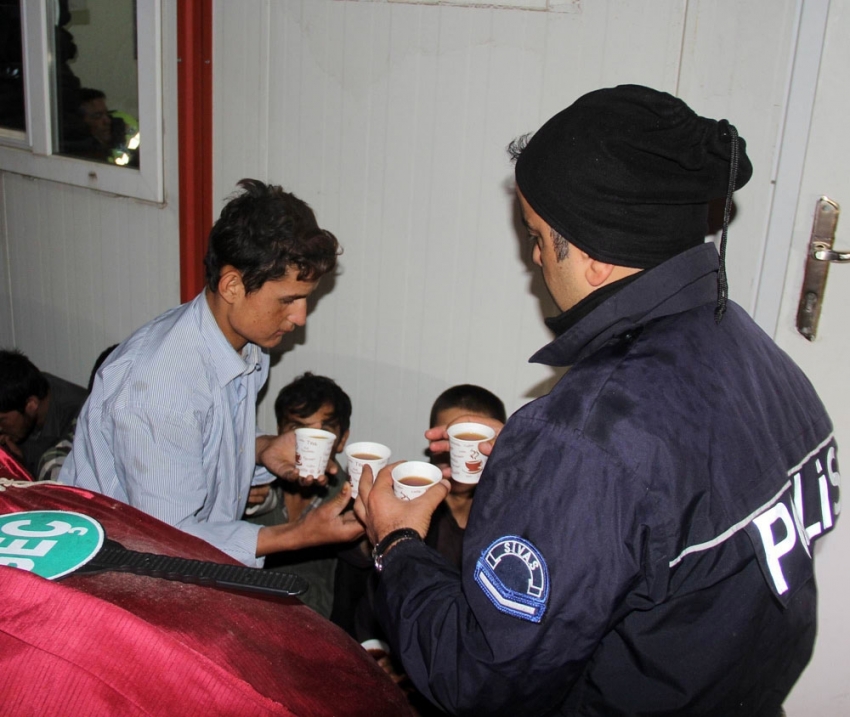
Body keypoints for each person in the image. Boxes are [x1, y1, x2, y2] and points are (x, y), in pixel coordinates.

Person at [354, 85, 839, 716]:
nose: (531, 257)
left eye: (535, 234)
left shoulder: (585, 442)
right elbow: (669, 507)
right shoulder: (754, 354)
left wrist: (397, 543)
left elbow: (479, 682)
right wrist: (534, 480)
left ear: (595, 257)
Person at [60, 179, 363, 567]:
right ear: (233, 285)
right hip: (115, 568)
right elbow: (169, 540)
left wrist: (260, 449)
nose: (300, 318)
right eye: (288, 300)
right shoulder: (159, 390)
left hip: (185, 557)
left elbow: (203, 440)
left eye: (306, 300)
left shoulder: (246, 341)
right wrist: (299, 534)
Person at [246, 372, 352, 618]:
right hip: (246, 612)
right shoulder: (256, 480)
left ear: (341, 440)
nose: (311, 442)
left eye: (324, 431)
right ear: (280, 432)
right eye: (298, 430)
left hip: (311, 622)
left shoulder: (349, 496)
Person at [0, 349, 87, 479]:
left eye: (2, 420)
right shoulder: (22, 394)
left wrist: (18, 467)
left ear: (31, 405)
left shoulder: (80, 414)